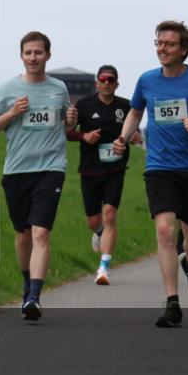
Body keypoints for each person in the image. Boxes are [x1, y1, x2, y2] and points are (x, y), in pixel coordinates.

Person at [113, 20, 188, 328]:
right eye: (158, 43)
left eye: (168, 44)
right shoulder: (147, 80)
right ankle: (172, 302)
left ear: (184, 49)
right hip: (159, 167)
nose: (161, 49)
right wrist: (124, 138)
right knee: (166, 231)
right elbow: (136, 112)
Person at [0, 32, 75, 317]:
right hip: (17, 170)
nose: (33, 58)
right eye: (28, 53)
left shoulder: (59, 88)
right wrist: (12, 112)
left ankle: (34, 296)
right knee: (23, 234)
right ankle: (27, 285)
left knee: (41, 232)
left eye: (38, 52)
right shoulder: (8, 89)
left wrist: (70, 120)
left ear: (48, 55)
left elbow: (65, 120)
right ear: (21, 56)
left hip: (51, 169)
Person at [67, 65, 140, 285]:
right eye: (103, 80)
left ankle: (104, 267)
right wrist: (84, 136)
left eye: (111, 80)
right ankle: (98, 232)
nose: (107, 83)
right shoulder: (84, 105)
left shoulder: (126, 106)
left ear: (117, 83)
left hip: (115, 169)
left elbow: (135, 132)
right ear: (97, 83)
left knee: (110, 216)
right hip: (90, 169)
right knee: (94, 220)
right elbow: (67, 132)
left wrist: (133, 138)